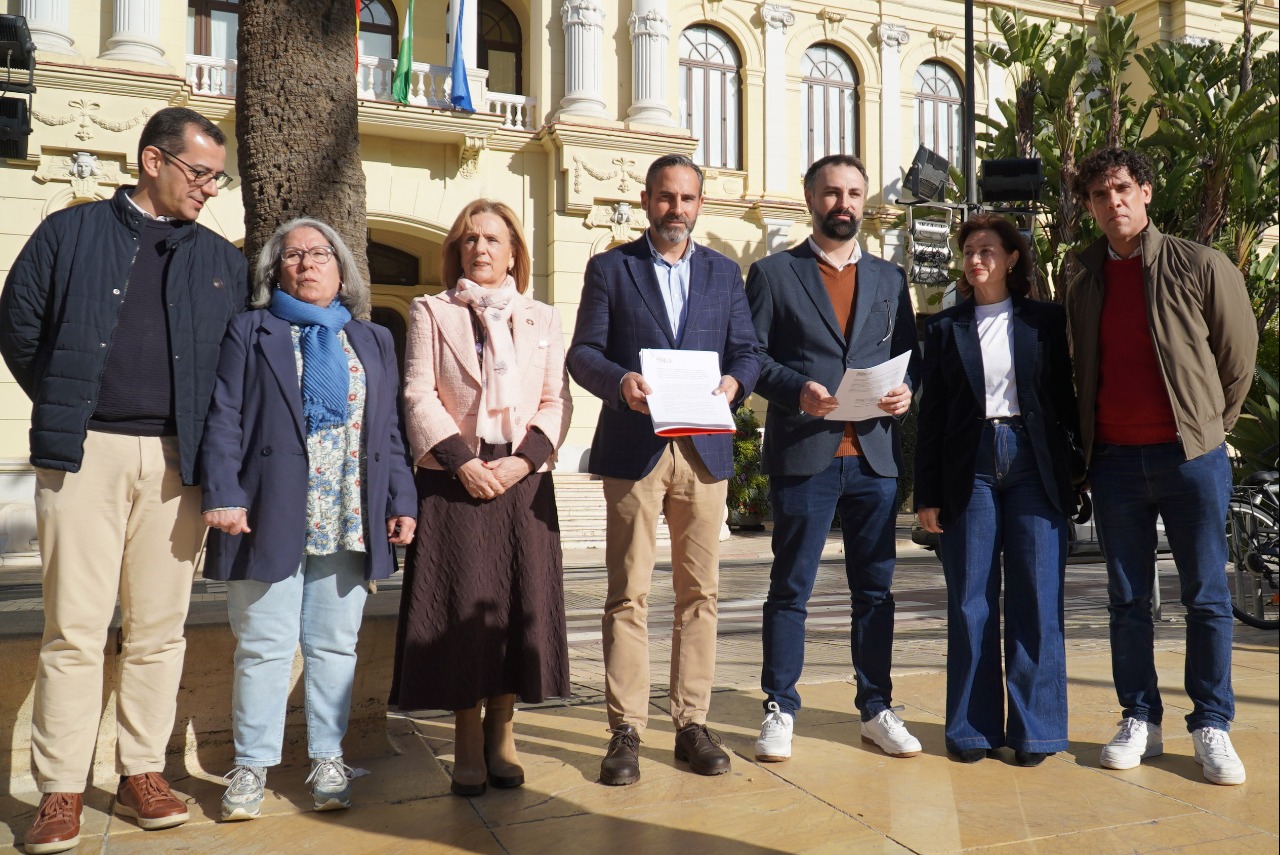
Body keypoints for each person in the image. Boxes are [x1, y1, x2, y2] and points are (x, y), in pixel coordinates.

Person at [0, 107, 248, 854]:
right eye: (199, 172)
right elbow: (18, 326)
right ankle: (61, 788)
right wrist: (72, 402)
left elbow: (232, 371)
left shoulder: (222, 261)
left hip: (178, 466)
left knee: (159, 631)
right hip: (84, 455)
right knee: (73, 629)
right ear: (152, 161)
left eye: (217, 176)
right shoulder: (67, 234)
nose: (210, 187)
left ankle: (142, 769)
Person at [199, 218, 417, 819]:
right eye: (293, 256)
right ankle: (250, 765)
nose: (307, 263)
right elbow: (223, 416)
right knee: (264, 645)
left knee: (335, 646)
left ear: (341, 271)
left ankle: (328, 756)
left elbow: (389, 430)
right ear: (276, 273)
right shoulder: (252, 329)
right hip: (267, 510)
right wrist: (224, 491)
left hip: (348, 509)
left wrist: (402, 500)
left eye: (320, 254)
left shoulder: (371, 340)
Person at [1064, 148, 1258, 786]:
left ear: (1146, 192)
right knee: (1127, 600)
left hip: (1190, 460)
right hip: (1115, 463)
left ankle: (1212, 724)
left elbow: (1238, 356)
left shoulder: (1197, 264)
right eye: (1098, 194)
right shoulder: (1083, 272)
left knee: (1205, 598)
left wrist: (1210, 429)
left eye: (1121, 188)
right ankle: (1139, 717)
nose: (1111, 202)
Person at [567, 153, 760, 786]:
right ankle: (625, 728)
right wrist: (619, 380)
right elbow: (582, 354)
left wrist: (735, 381)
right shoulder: (610, 269)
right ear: (648, 200)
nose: (676, 209)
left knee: (698, 592)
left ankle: (691, 723)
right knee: (628, 589)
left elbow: (749, 352)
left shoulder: (724, 274)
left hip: (704, 450)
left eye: (687, 199)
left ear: (700, 205)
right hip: (635, 447)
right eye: (665, 198)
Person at [388, 200, 573, 797]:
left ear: (514, 251)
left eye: (493, 239)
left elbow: (555, 399)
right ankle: (467, 736)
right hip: (452, 479)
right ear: (456, 251)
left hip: (523, 481)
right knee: (459, 608)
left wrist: (522, 462)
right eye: (469, 240)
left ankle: (503, 733)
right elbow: (418, 395)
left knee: (517, 605)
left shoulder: (542, 317)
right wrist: (463, 463)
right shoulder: (430, 311)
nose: (481, 249)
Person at [744, 154, 920, 764]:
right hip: (805, 453)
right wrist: (797, 390)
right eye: (830, 193)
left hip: (873, 457)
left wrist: (905, 394)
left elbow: (909, 358)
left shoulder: (891, 280)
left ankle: (876, 708)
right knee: (790, 587)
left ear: (863, 201)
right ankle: (780, 708)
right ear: (809, 197)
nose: (842, 203)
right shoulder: (772, 274)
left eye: (852, 193)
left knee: (875, 591)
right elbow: (751, 358)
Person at [914, 214, 1080, 766]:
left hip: (1035, 463)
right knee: (971, 602)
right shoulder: (944, 327)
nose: (975, 259)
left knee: (1038, 597)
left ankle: (1036, 731)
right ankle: (971, 730)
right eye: (968, 251)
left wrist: (1077, 472)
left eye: (987, 249)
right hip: (972, 466)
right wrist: (927, 493)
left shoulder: (1045, 321)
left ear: (1012, 258)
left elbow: (1066, 401)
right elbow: (931, 417)